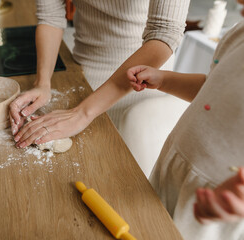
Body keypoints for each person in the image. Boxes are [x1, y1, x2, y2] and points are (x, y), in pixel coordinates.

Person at [10, 0, 191, 174]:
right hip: (84, 78)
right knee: (89, 170)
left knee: (130, 176)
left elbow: (164, 32)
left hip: (144, 84)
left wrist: (82, 113)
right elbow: (51, 17)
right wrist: (42, 83)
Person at [126, 19, 244, 239]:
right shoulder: (239, 31)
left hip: (220, 207)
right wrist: (164, 80)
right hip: (177, 168)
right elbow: (214, 87)